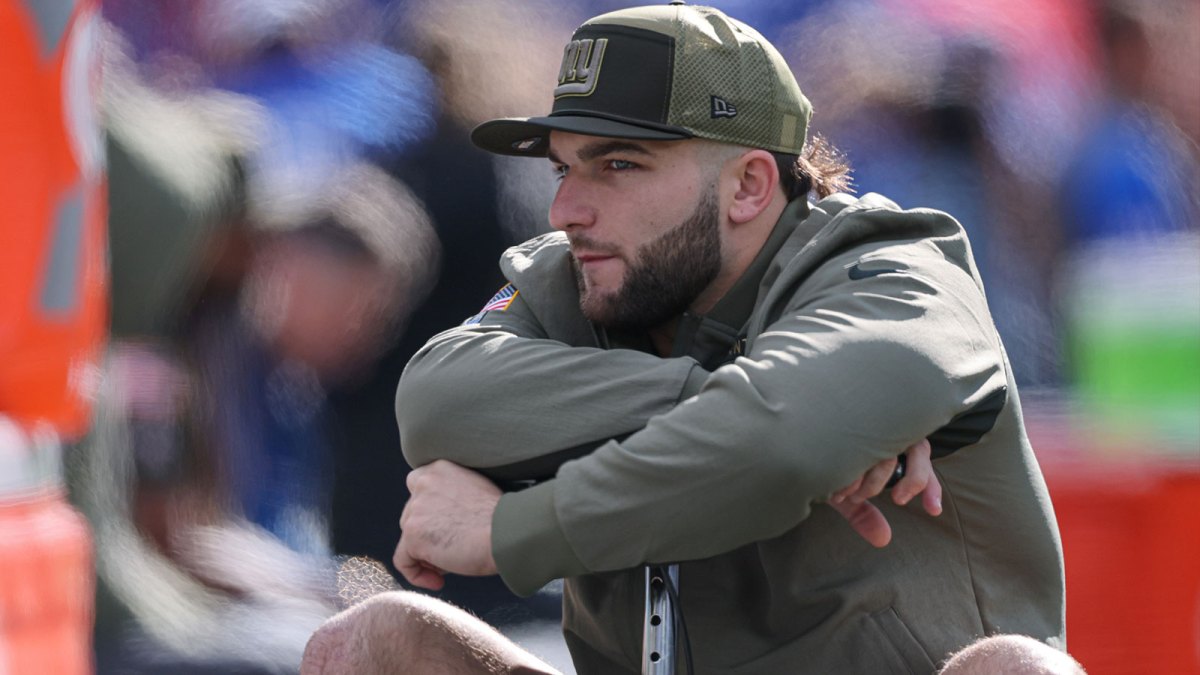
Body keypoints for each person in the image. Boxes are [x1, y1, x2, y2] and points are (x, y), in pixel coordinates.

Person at [386, 3, 1064, 672]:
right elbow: (435, 399)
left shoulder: (900, 275)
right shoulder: (588, 273)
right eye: (565, 168)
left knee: (1015, 668)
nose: (567, 210)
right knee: (379, 638)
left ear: (748, 185)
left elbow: (781, 443)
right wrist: (743, 398)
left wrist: (510, 532)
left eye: (619, 164)